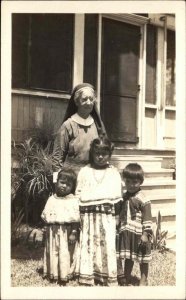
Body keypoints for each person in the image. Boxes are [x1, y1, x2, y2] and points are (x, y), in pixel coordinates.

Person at [75, 135, 122, 286]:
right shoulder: (85, 171)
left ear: (110, 154)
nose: (100, 157)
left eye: (104, 153)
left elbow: (117, 199)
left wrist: (117, 218)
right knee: (89, 243)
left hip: (107, 215)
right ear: (92, 153)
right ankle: (89, 273)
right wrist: (79, 216)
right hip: (88, 214)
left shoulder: (113, 173)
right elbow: (79, 194)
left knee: (106, 243)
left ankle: (106, 273)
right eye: (97, 153)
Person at [53, 83, 106, 179]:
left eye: (91, 99)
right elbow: (57, 158)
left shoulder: (98, 125)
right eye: (84, 99)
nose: (89, 102)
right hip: (72, 177)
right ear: (77, 102)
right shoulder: (68, 126)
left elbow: (105, 151)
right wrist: (57, 182)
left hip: (92, 177)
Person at [41, 167, 80, 284]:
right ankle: (53, 273)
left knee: (65, 252)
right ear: (56, 182)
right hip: (52, 231)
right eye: (62, 182)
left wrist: (73, 233)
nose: (64, 186)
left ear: (73, 187)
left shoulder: (73, 200)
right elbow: (46, 216)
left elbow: (75, 219)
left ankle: (65, 274)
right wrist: (45, 228)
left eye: (68, 184)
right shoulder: (51, 199)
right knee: (52, 252)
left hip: (66, 231)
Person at [117, 163, 153, 286]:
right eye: (128, 181)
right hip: (128, 231)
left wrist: (145, 234)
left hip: (140, 232)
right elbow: (121, 212)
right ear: (124, 181)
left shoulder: (143, 198)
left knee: (142, 259)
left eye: (135, 182)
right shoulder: (124, 196)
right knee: (129, 256)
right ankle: (127, 276)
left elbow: (147, 218)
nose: (131, 185)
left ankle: (143, 280)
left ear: (140, 182)